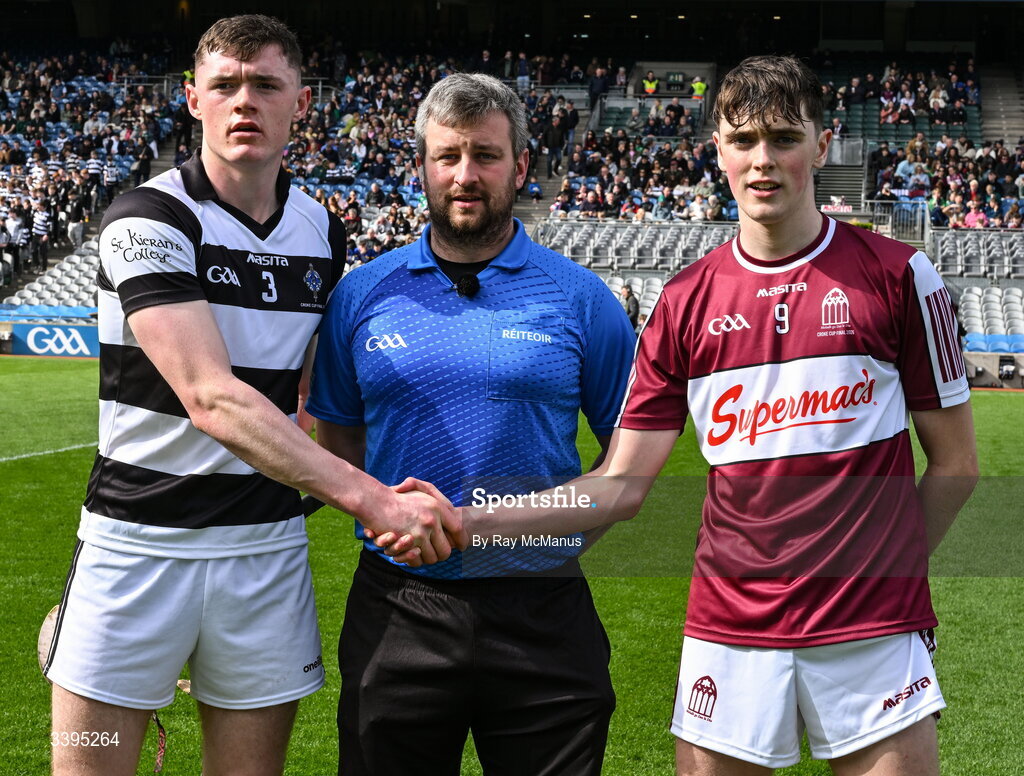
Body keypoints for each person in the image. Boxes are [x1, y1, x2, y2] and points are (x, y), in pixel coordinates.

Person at [394, 56, 980, 776]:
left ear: (822, 146)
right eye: (743, 140)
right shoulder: (685, 301)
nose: (763, 160)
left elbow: (955, 465)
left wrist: (890, 577)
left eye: (784, 138)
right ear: (718, 152)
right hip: (730, 626)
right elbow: (621, 484)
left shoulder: (899, 276)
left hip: (869, 629)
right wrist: (470, 522)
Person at [45, 15, 459, 776]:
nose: (245, 102)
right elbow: (213, 397)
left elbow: (307, 391)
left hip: (265, 553)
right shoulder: (148, 217)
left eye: (266, 85)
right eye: (225, 85)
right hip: (135, 551)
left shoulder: (321, 233)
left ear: (301, 102)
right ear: (192, 100)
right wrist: (376, 500)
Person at [306, 72, 635, 776]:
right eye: (447, 156)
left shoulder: (582, 299)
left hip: (544, 613)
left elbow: (626, 467)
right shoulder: (362, 295)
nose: (465, 175)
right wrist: (398, 514)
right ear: (421, 166)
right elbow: (336, 442)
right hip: (398, 609)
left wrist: (552, 536)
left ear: (521, 165)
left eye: (486, 156)